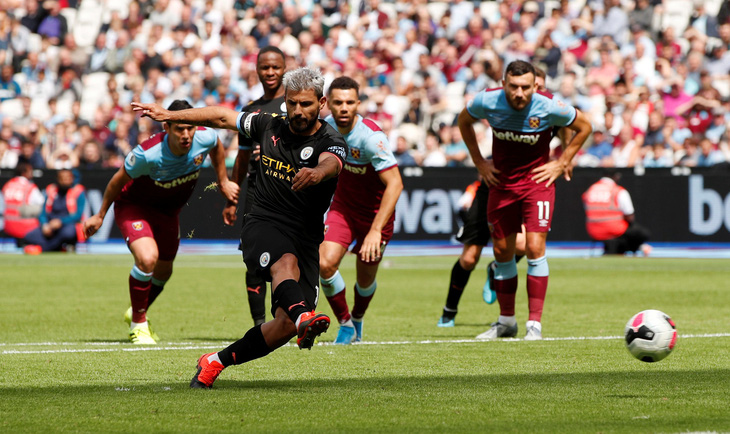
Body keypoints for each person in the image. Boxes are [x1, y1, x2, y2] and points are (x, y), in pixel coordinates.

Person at [130, 67, 348, 389]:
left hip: (306, 236)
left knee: (284, 327)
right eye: (292, 104)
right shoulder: (267, 124)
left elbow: (333, 162)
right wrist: (173, 115)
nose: (298, 111)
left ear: (322, 103)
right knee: (284, 267)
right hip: (263, 222)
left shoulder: (331, 139)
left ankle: (215, 361)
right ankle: (304, 316)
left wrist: (317, 173)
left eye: (306, 104)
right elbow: (221, 118)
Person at [83, 100, 239, 345]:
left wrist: (223, 181)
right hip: (135, 208)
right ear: (166, 127)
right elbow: (116, 181)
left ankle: (138, 310)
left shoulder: (205, 137)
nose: (186, 135)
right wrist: (100, 215)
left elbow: (217, 147)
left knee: (164, 272)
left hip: (168, 212)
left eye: (190, 128)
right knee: (147, 259)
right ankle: (138, 324)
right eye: (179, 129)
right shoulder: (147, 154)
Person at [458, 60, 592, 340]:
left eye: (525, 88)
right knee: (502, 252)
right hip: (501, 185)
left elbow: (585, 126)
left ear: (535, 86)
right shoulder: (487, 101)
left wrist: (562, 161)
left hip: (537, 185)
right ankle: (507, 322)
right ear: (504, 84)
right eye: (514, 87)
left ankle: (535, 324)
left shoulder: (549, 105)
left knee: (533, 247)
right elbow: (463, 121)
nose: (519, 93)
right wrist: (479, 162)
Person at [318, 76, 403, 344]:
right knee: (324, 263)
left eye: (349, 102)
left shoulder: (371, 139)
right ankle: (344, 324)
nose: (343, 108)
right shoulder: (323, 128)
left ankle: (357, 319)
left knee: (365, 279)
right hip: (342, 209)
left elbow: (396, 184)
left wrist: (375, 231)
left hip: (376, 216)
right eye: (338, 103)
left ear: (358, 103)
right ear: (327, 103)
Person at [232, 46, 288, 327]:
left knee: (289, 254)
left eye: (275, 67)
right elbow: (242, 157)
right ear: (257, 70)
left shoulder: (296, 105)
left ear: (284, 68)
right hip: (257, 192)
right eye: (265, 68)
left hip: (289, 192)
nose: (270, 73)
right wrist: (232, 196)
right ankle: (258, 324)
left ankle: (286, 317)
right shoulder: (250, 111)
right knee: (252, 257)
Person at [582, 172, 652, 256]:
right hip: (615, 229)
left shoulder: (590, 189)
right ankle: (631, 248)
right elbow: (629, 215)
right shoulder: (618, 190)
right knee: (642, 233)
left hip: (593, 230)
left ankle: (615, 249)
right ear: (616, 177)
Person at [23, 169, 86, 252]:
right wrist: (44, 225)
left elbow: (78, 215)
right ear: (57, 179)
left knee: (68, 234)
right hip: (50, 225)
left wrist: (60, 222)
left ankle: (44, 249)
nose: (65, 181)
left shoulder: (78, 192)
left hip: (67, 225)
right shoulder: (51, 190)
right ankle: (59, 248)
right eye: (62, 178)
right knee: (29, 236)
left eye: (67, 178)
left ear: (72, 179)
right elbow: (43, 212)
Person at [1, 162, 43, 244]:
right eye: (30, 171)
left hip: (6, 226)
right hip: (24, 228)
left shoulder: (8, 185)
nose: (32, 173)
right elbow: (43, 204)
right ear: (24, 173)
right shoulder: (29, 187)